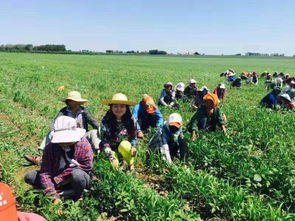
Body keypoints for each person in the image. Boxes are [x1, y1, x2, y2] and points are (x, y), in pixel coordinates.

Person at [24, 116, 93, 209]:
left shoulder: (84, 145)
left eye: (68, 140)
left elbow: (87, 167)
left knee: (78, 175)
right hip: (55, 177)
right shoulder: (50, 148)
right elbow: (45, 173)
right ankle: (59, 193)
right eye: (61, 140)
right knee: (30, 176)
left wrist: (62, 177)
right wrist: (53, 196)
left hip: (74, 179)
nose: (64, 143)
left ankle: (77, 196)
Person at [25, 91, 100, 165]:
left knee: (94, 132)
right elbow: (54, 123)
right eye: (72, 101)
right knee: (50, 133)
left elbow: (93, 122)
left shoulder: (84, 111)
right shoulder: (64, 111)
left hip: (81, 136)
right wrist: (52, 131)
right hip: (66, 137)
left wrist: (100, 129)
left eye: (77, 101)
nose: (76, 103)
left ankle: (98, 152)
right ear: (69, 102)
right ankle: (41, 156)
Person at [100, 93, 137, 170]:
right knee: (114, 167)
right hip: (109, 148)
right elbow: (104, 140)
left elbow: (133, 137)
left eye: (122, 106)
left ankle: (130, 163)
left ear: (126, 108)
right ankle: (116, 160)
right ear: (111, 108)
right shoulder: (106, 120)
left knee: (125, 146)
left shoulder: (131, 120)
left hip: (123, 146)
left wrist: (133, 147)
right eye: (115, 106)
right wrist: (110, 154)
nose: (119, 109)